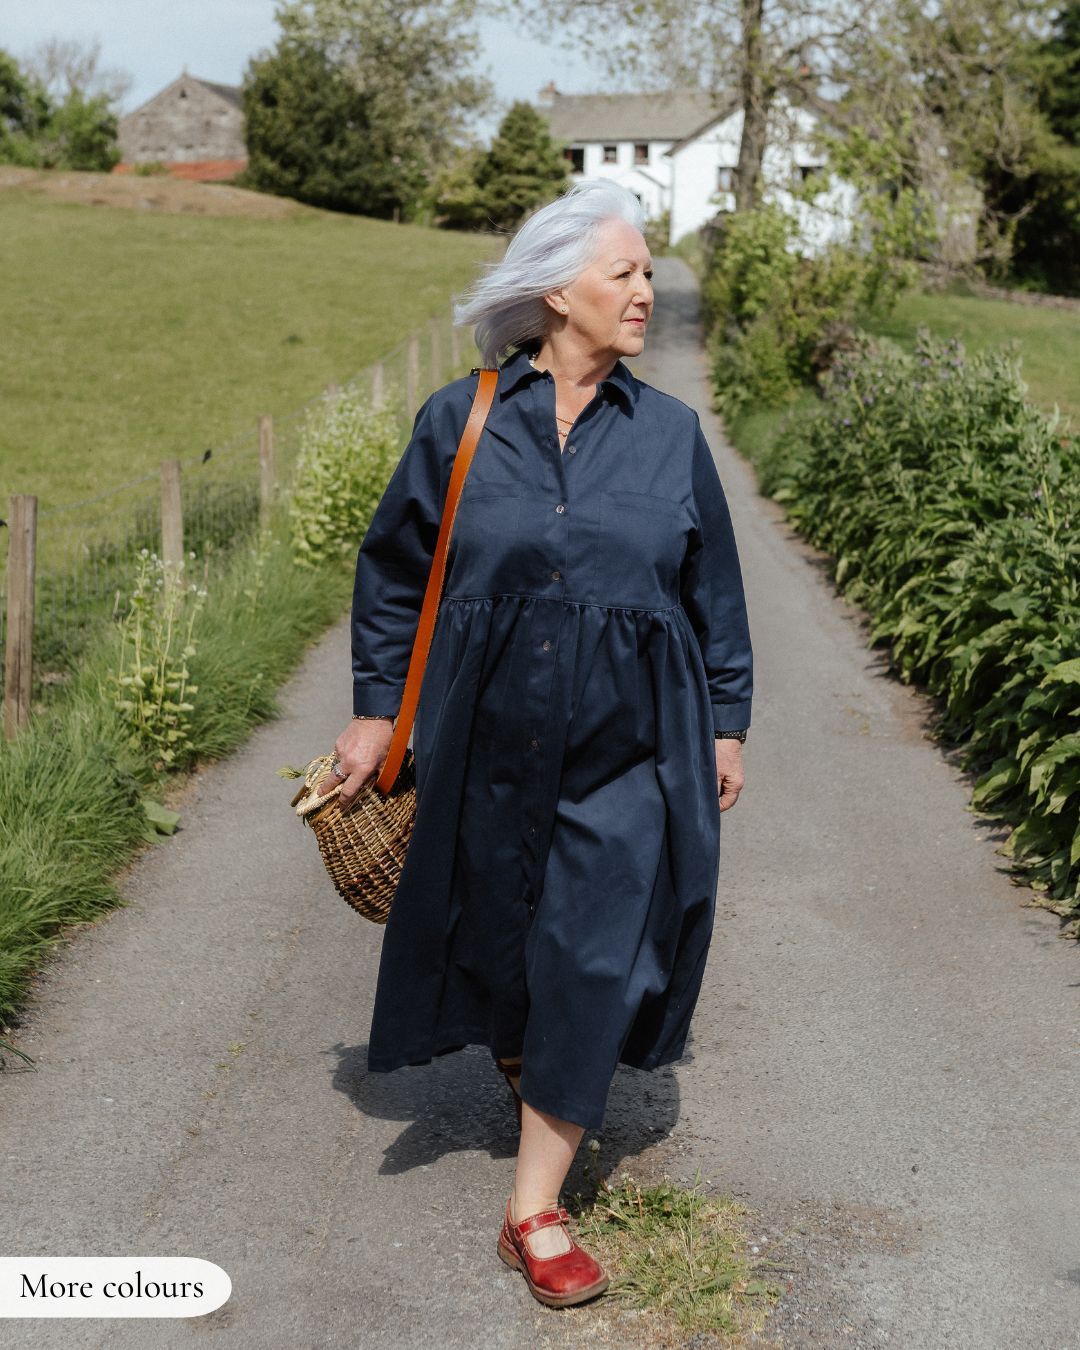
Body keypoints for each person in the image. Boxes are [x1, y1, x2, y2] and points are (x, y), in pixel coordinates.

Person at [319, 179, 753, 1308]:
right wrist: (376, 713)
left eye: (650, 272)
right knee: (501, 922)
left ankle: (535, 1209)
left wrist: (725, 720)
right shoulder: (460, 420)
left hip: (635, 739)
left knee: (602, 942)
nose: (649, 292)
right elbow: (395, 575)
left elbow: (716, 595)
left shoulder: (671, 435)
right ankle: (534, 1056)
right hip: (487, 726)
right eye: (628, 273)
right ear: (558, 290)